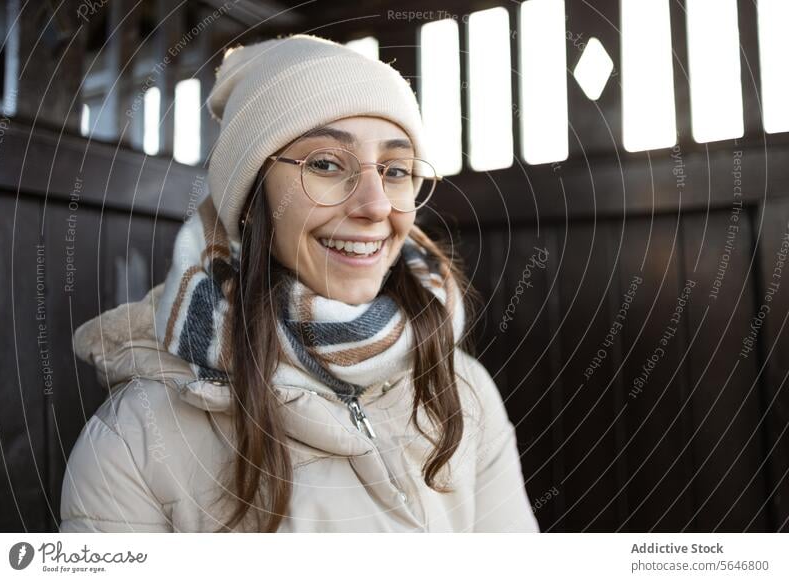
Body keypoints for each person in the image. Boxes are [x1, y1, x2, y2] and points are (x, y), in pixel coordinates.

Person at [59, 34, 540, 533]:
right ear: (249, 198)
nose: (375, 205)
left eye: (396, 170)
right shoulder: (135, 442)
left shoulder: (460, 390)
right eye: (327, 164)